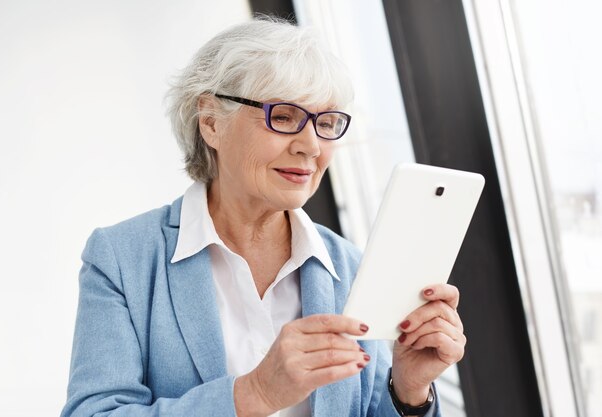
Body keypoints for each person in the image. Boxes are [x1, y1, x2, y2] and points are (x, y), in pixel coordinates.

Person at [61, 17, 465, 417]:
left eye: (326, 123)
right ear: (212, 123)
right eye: (284, 117)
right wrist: (253, 394)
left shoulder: (352, 267)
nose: (310, 146)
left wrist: (409, 391)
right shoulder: (121, 259)